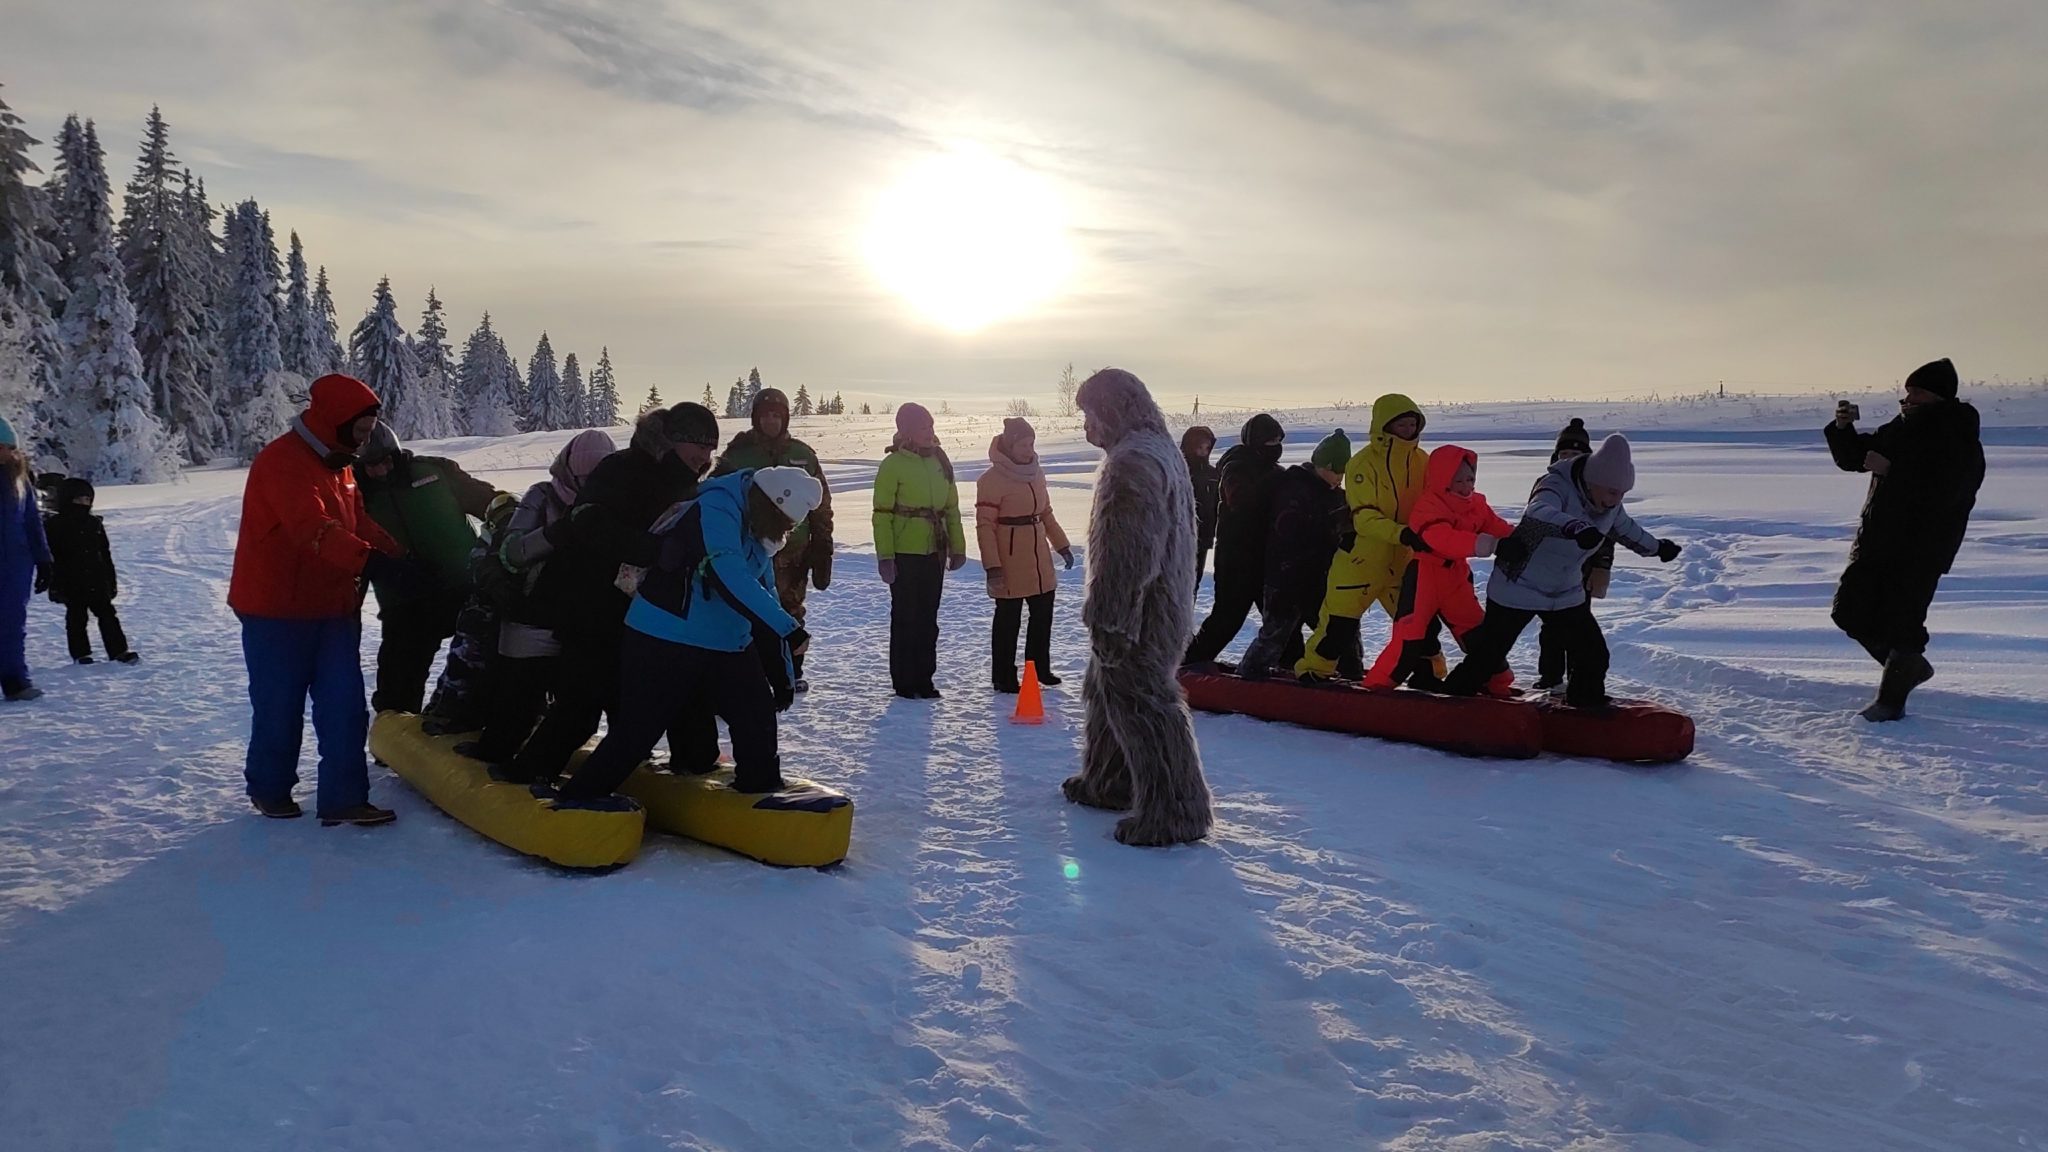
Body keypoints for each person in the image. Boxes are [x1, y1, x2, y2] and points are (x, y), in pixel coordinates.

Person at [554, 466, 820, 805]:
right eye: (784, 522)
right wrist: (789, 629)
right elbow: (729, 575)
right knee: (640, 728)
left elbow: (764, 594)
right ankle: (580, 796)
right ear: (770, 504)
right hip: (665, 634)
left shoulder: (759, 530)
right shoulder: (716, 508)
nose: (786, 531)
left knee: (756, 715)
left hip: (726, 640)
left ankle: (759, 788)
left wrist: (782, 675)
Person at [505, 403, 721, 785]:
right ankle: (525, 778)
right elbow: (588, 523)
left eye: (710, 449)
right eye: (698, 446)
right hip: (594, 608)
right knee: (583, 706)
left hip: (651, 614)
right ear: (672, 440)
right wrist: (652, 550)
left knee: (670, 697)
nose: (704, 456)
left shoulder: (686, 483)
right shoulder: (622, 468)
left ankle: (691, 773)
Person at [227, 373, 408, 825]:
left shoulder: (340, 465)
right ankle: (269, 790)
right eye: (361, 432)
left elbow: (356, 523)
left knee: (345, 704)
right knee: (279, 705)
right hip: (275, 609)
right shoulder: (281, 462)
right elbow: (313, 528)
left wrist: (400, 556)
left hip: (332, 607)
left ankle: (345, 798)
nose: (365, 442)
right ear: (334, 421)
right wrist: (370, 564)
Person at [1062, 368, 1212, 846]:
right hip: (1165, 603)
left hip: (1141, 609)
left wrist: (1112, 619)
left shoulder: (1133, 462)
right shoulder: (1162, 450)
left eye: (1090, 414)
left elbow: (1130, 549)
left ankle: (1175, 810)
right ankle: (1110, 780)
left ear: (1112, 410)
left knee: (1142, 702)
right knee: (1107, 690)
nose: (1087, 428)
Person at [1430, 434, 1681, 707]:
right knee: (1490, 654)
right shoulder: (1555, 484)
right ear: (1593, 480)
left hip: (1564, 590)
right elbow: (1539, 511)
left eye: (1621, 494)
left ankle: (1585, 704)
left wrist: (1657, 548)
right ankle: (1450, 700)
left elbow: (1627, 529)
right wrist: (1573, 527)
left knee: (1592, 653)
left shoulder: (1610, 502)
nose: (1615, 499)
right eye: (1611, 492)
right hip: (1519, 585)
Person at [1824, 357, 1985, 722]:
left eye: (1919, 391)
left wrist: (1892, 472)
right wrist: (1842, 429)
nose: (1909, 396)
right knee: (1849, 609)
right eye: (1908, 389)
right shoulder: (1902, 427)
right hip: (1877, 538)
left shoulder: (1956, 434)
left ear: (1939, 397)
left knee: (1902, 622)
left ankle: (1891, 701)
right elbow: (1858, 459)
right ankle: (1906, 668)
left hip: (1920, 548)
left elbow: (1945, 493)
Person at [464, 429, 615, 764]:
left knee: (580, 712)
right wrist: (559, 533)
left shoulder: (614, 502)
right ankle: (494, 760)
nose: (590, 485)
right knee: (516, 713)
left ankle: (542, 763)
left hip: (581, 625)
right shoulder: (542, 496)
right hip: (530, 618)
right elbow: (513, 552)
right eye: (585, 478)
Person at [355, 422, 501, 714]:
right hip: (406, 600)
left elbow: (490, 502)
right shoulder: (354, 494)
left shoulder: (436, 472)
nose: (380, 471)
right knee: (398, 680)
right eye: (370, 466)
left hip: (466, 587)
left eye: (385, 461)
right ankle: (395, 737)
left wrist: (512, 517)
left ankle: (504, 718)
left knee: (495, 658)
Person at [1296, 394, 1429, 681]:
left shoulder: (1423, 462)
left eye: (1412, 424)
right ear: (1384, 426)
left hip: (1404, 562)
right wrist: (1402, 533)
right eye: (1401, 425)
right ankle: (1313, 672)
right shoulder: (1362, 464)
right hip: (1361, 559)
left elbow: (1434, 503)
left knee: (1420, 626)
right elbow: (1364, 516)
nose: (1408, 430)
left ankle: (1429, 675)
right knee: (1338, 626)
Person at [1364, 446, 1517, 692]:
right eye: (1458, 480)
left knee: (1479, 634)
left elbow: (1497, 526)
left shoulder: (1476, 504)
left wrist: (1521, 539)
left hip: (1455, 577)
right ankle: (1375, 689)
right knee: (1409, 638)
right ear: (1443, 479)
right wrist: (1487, 544)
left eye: (1470, 479)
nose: (1466, 486)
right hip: (1425, 574)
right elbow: (1441, 538)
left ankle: (1497, 683)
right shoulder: (1428, 505)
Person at [712, 387, 833, 690]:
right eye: (765, 415)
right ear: (756, 418)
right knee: (751, 609)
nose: (771, 421)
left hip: (794, 552)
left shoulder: (803, 454)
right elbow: (718, 492)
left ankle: (792, 671)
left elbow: (822, 506)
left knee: (790, 609)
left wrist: (823, 547)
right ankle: (754, 671)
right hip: (749, 549)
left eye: (777, 415)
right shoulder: (738, 454)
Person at [1238, 429, 1353, 679]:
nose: (1338, 478)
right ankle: (1247, 677)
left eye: (1343, 473)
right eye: (1335, 471)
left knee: (1335, 628)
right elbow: (1288, 528)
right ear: (1321, 465)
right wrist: (1326, 526)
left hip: (1320, 577)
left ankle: (1350, 672)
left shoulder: (1337, 496)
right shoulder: (1294, 489)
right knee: (1275, 633)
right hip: (1286, 578)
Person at [975, 417, 1074, 693]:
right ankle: (1003, 676)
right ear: (1009, 444)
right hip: (1009, 560)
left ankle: (1039, 668)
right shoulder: (991, 480)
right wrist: (993, 566)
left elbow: (1046, 514)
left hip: (1039, 558)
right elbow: (985, 527)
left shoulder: (1036, 473)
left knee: (1043, 614)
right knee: (1008, 619)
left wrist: (1061, 545)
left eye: (1031, 443)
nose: (1028, 449)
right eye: (1023, 444)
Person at [873, 402, 965, 699]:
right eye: (922, 428)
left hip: (934, 552)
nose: (929, 433)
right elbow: (882, 513)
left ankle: (924, 679)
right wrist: (885, 556)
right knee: (905, 616)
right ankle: (903, 681)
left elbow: (951, 508)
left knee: (928, 617)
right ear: (906, 432)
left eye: (931, 427)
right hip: (904, 552)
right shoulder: (892, 465)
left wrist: (958, 546)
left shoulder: (941, 461)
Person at [1184, 414, 1285, 664]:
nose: (1275, 448)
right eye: (1270, 442)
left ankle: (1294, 668)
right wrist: (1276, 483)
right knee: (1227, 618)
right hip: (1236, 558)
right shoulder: (1236, 466)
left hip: (1265, 558)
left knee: (1279, 622)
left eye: (1278, 442)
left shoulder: (1274, 471)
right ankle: (1190, 665)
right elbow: (1240, 499)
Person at [1533, 418, 1611, 692]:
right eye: (1564, 454)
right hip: (1548, 569)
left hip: (1581, 570)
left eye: (1575, 454)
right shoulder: (1547, 484)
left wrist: (1602, 566)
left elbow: (1607, 532)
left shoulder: (1596, 489)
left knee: (1579, 627)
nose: (1568, 459)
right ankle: (1550, 677)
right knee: (1551, 627)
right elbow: (1534, 521)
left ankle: (1580, 680)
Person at [42, 477, 137, 665]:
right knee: (77, 618)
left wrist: (111, 580)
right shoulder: (55, 525)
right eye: (79, 499)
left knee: (108, 615)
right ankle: (81, 654)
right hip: (70, 581)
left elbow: (105, 554)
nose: (84, 504)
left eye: (87, 500)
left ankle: (119, 651)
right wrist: (54, 585)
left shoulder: (94, 524)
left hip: (97, 579)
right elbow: (51, 558)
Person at [1, 413, 53, 702]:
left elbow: (33, 523)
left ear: (12, 449)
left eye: (1, 447)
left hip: (16, 566)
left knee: (11, 625)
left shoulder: (21, 484)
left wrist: (44, 559)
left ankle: (15, 682)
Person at [1182, 426, 1219, 583]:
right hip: (1182, 535)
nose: (1203, 452)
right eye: (1199, 447)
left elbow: (1217, 502)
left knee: (1195, 580)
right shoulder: (1180, 471)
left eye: (1207, 448)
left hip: (1204, 535)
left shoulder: (1213, 473)